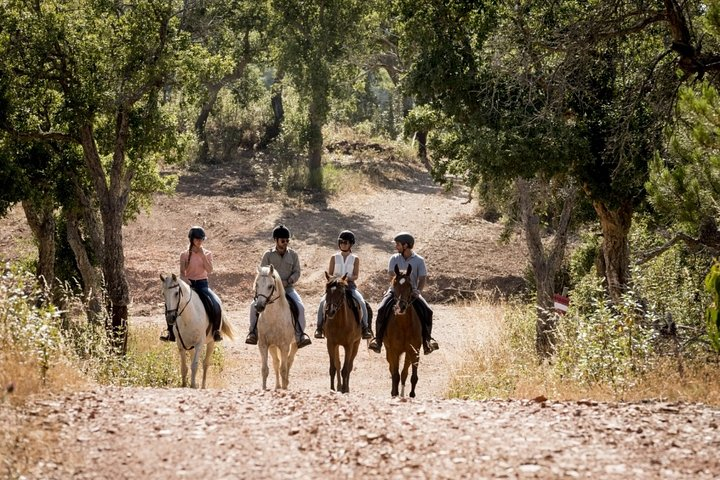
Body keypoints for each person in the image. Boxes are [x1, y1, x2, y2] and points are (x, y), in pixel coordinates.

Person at [368, 232, 439, 355]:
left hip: (412, 293)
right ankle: (378, 340)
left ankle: (427, 340)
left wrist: (418, 291)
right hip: (394, 291)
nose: (396, 246)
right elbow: (391, 275)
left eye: (398, 244)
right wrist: (397, 285)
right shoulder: (394, 258)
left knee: (428, 310)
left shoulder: (419, 260)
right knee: (381, 309)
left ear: (406, 245)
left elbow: (422, 278)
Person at [245, 224, 312, 348]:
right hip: (270, 291)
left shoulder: (293, 255)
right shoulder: (268, 255)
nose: (285, 243)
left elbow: (297, 271)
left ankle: (300, 335)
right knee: (252, 306)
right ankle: (253, 332)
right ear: (275, 240)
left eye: (287, 240)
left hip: (288, 289)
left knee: (300, 307)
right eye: (282, 240)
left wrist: (289, 281)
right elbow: (263, 273)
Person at [161, 226, 224, 343]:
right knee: (170, 304)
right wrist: (185, 280)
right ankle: (170, 332)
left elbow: (210, 270)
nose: (200, 242)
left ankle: (216, 331)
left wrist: (202, 256)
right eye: (197, 239)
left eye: (201, 239)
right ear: (191, 240)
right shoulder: (184, 254)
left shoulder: (208, 253)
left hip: (202, 284)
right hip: (188, 285)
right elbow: (181, 272)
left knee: (215, 302)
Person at [315, 230, 373, 340]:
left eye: (345, 242)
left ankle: (365, 328)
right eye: (341, 242)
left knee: (361, 302)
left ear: (351, 244)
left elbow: (356, 275)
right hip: (335, 286)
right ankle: (319, 327)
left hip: (349, 286)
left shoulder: (355, 258)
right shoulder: (334, 257)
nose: (343, 244)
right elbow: (330, 273)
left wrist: (346, 279)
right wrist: (337, 279)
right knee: (322, 302)